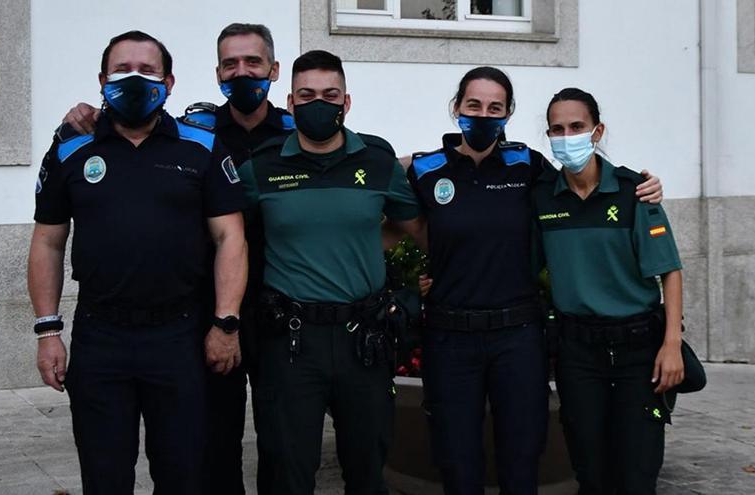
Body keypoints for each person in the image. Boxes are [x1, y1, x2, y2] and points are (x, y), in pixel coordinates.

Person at [405, 68, 664, 495]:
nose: (484, 115)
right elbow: (381, 205)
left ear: (508, 114)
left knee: (522, 461)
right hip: (450, 339)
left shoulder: (527, 163)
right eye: (474, 106)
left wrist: (643, 185)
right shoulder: (426, 169)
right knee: (456, 462)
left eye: (495, 108)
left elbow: (583, 187)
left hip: (518, 337)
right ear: (456, 109)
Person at [59, 23, 292, 495]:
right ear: (217, 73)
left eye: (252, 63)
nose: (242, 72)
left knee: (284, 440)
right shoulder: (200, 132)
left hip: (279, 310)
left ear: (274, 69)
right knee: (211, 446)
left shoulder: (298, 133)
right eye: (230, 64)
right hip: (208, 311)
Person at [238, 49, 424, 495]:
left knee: (366, 465)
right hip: (292, 341)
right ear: (290, 103)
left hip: (365, 338)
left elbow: (412, 229)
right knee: (289, 467)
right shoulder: (260, 168)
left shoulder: (378, 162)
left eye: (330, 94)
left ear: (346, 102)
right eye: (307, 95)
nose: (319, 103)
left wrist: (360, 245)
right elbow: (230, 239)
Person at [531, 87, 684, 494]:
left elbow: (669, 270)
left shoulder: (636, 192)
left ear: (597, 131)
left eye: (577, 126)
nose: (567, 137)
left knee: (638, 472)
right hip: (577, 352)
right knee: (590, 471)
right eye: (557, 129)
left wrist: (672, 345)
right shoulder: (542, 197)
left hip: (639, 352)